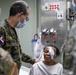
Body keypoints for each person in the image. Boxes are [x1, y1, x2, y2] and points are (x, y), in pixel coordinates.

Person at [0, 0, 35, 73]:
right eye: (26, 18)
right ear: (20, 15)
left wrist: (33, 61)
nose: (26, 20)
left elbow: (17, 52)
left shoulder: (12, 30)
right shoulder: (2, 29)